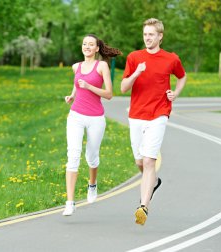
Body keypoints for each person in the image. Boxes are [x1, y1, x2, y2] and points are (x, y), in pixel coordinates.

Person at [121, 18, 187, 225]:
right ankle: (154, 182)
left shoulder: (171, 59)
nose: (147, 38)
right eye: (145, 34)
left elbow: (182, 76)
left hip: (159, 113)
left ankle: (144, 207)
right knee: (140, 162)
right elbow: (123, 88)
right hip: (136, 115)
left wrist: (175, 93)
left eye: (151, 34)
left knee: (150, 161)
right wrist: (137, 73)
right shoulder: (134, 57)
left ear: (160, 36)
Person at [62, 34, 122, 216]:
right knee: (73, 155)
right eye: (84, 44)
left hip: (96, 117)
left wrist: (88, 87)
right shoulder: (76, 67)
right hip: (76, 116)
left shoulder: (102, 66)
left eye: (91, 44)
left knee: (92, 156)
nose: (87, 46)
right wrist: (72, 95)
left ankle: (92, 184)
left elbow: (109, 94)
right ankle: (70, 202)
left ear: (97, 49)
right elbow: (77, 84)